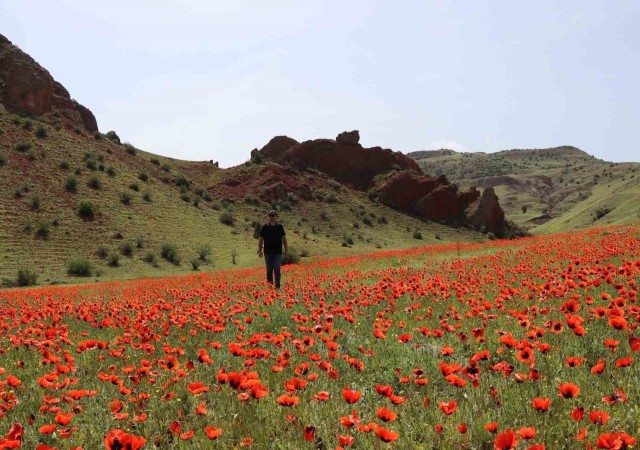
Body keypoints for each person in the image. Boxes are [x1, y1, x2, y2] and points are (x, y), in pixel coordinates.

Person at [257, 210, 288, 289]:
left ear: (276, 217)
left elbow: (284, 239)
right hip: (267, 252)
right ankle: (270, 286)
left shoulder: (280, 227)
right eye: (270, 215)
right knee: (269, 270)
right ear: (268, 217)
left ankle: (277, 286)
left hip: (278, 252)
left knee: (277, 268)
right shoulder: (265, 227)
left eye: (273, 216)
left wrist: (286, 250)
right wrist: (260, 250)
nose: (271, 217)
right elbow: (260, 239)